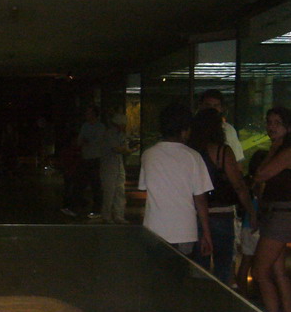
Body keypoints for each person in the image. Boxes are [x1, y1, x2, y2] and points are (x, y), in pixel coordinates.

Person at [252, 106, 291, 312]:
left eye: (277, 123)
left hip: (280, 216)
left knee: (260, 271)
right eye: (269, 122)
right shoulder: (280, 150)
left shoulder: (289, 151)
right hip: (275, 214)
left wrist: (272, 150)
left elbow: (261, 174)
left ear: (289, 127)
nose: (271, 126)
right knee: (278, 272)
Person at [139, 101, 213, 257]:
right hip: (184, 232)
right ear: (185, 130)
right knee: (178, 278)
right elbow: (200, 199)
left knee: (155, 278)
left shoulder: (148, 155)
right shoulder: (193, 157)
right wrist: (206, 233)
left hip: (153, 229)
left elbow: (145, 188)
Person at [187, 108, 251, 284]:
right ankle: (222, 305)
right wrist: (251, 211)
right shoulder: (223, 152)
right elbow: (238, 185)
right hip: (222, 213)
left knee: (199, 267)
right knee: (224, 265)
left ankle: (201, 304)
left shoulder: (191, 152)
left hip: (197, 214)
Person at [235, 149, 267, 296]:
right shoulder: (261, 183)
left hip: (246, 225)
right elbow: (261, 204)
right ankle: (255, 293)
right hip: (257, 227)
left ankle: (242, 293)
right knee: (258, 263)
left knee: (246, 261)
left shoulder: (248, 181)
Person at [99, 105, 130, 223]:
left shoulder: (120, 135)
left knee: (119, 191)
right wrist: (127, 150)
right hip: (108, 167)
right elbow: (118, 149)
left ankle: (119, 215)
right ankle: (106, 216)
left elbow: (122, 148)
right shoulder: (109, 134)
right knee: (109, 192)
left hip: (118, 165)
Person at [197, 88, 244, 165]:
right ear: (200, 106)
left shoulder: (228, 130)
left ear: (222, 108)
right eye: (208, 105)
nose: (212, 110)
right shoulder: (191, 128)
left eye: (216, 106)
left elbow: (237, 160)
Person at [76, 105, 106, 218]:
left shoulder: (100, 127)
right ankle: (78, 206)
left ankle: (97, 209)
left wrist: (86, 141)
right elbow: (80, 141)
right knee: (80, 183)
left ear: (94, 114)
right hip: (86, 157)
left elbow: (95, 141)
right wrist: (86, 141)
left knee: (95, 184)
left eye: (89, 113)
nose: (86, 115)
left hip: (95, 158)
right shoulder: (85, 125)